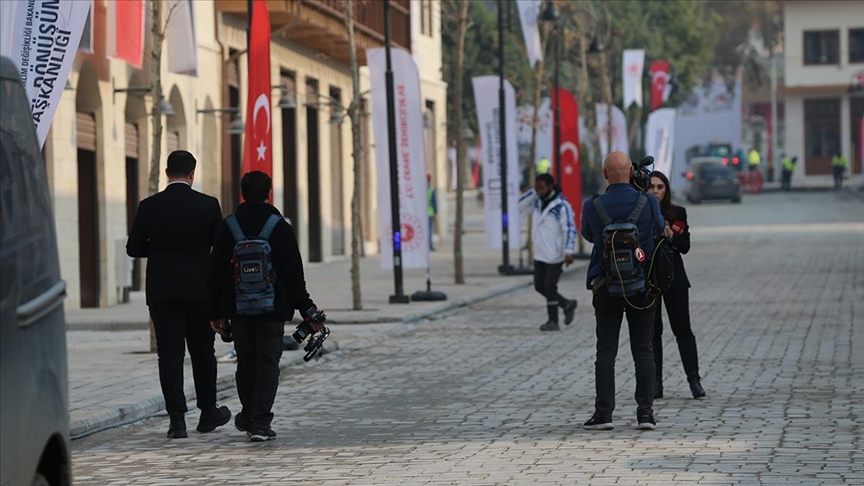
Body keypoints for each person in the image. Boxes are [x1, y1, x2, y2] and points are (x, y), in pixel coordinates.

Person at [209, 171, 324, 442]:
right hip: (272, 310)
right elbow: (294, 275)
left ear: (243, 193)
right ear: (269, 193)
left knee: (245, 363)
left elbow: (215, 274)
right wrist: (308, 309)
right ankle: (260, 422)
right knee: (268, 364)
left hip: (238, 310)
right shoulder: (280, 227)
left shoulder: (229, 226)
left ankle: (249, 415)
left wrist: (216, 313)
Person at [126, 150, 231, 439]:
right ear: (192, 173)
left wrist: (160, 250)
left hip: (163, 291)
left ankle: (177, 420)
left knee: (169, 354)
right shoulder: (208, 205)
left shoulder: (148, 206)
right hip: (200, 290)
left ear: (166, 173)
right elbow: (219, 248)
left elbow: (133, 248)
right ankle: (208, 412)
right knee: (202, 352)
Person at [580, 151, 665, 431]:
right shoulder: (648, 200)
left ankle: (604, 413)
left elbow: (590, 236)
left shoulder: (593, 206)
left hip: (605, 286)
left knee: (606, 351)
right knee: (643, 350)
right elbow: (658, 230)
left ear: (604, 174)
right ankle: (645, 413)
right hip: (641, 286)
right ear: (632, 172)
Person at [648, 171, 706, 400]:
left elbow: (685, 246)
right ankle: (655, 384)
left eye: (660, 187)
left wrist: (670, 235)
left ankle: (694, 379)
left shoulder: (677, 212)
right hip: (650, 279)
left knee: (683, 330)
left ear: (667, 190)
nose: (655, 191)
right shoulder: (641, 214)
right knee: (653, 332)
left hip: (675, 278)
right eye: (651, 186)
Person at [518, 174, 579, 332]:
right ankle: (566, 304)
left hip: (555, 254)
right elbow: (520, 206)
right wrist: (531, 192)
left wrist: (568, 251)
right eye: (537, 187)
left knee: (549, 286)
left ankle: (553, 321)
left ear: (551, 186)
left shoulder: (562, 205)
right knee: (539, 286)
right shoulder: (537, 201)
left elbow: (570, 229)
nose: (540, 190)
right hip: (540, 253)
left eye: (542, 187)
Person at [427, 173, 437, 251]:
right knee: (430, 230)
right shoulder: (431, 189)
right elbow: (434, 202)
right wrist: (436, 213)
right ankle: (430, 245)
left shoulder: (420, 189)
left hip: (422, 213)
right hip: (430, 212)